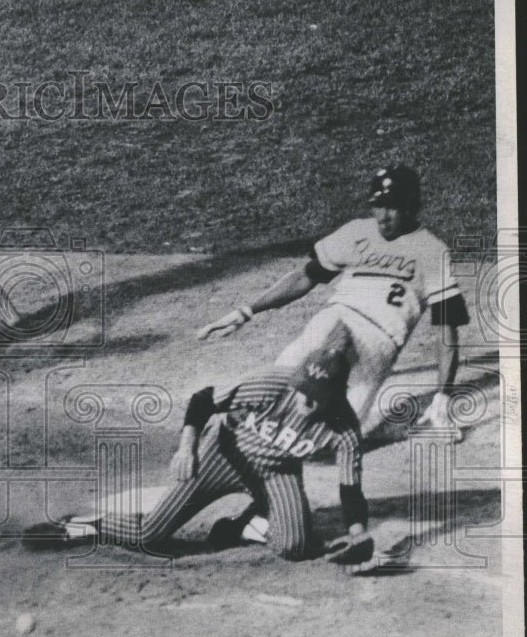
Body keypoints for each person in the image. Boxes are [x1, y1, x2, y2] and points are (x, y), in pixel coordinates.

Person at [25, 323, 373, 564]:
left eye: (316, 396)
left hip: (276, 473)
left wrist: (358, 533)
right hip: (222, 454)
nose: (305, 399)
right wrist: (187, 445)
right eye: (303, 388)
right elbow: (204, 399)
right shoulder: (273, 382)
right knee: (150, 535)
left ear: (336, 397)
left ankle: (244, 525)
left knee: (295, 546)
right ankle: (80, 525)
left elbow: (351, 490)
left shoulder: (344, 430)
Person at [197, 166, 469, 438]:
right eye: (378, 206)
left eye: (392, 207)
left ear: (411, 207)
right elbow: (307, 276)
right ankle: (213, 419)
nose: (383, 217)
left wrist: (442, 396)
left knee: (330, 438)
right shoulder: (356, 232)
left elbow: (446, 331)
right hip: (337, 318)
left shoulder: (433, 251)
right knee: (275, 390)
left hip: (379, 341)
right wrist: (247, 311)